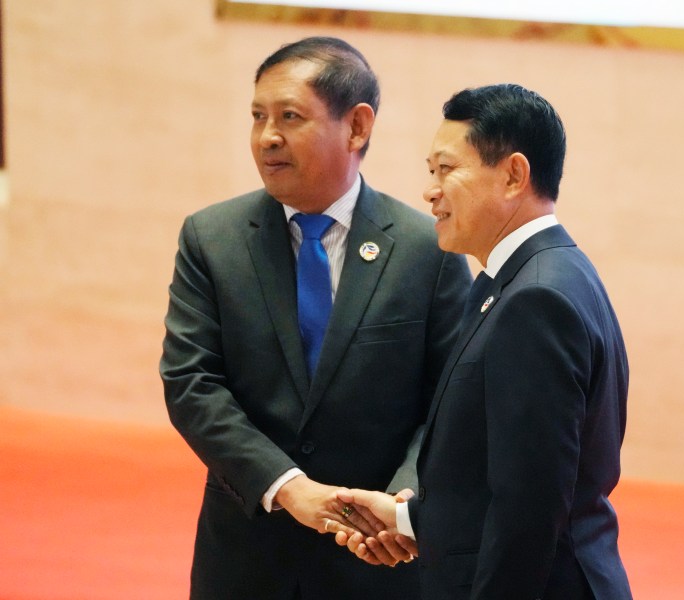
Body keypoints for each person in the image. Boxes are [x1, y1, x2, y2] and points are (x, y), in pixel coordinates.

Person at [159, 37, 471, 599]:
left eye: (290, 117)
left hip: (380, 558)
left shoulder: (430, 249)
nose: (267, 136)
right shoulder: (212, 238)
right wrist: (289, 488)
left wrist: (403, 502)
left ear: (356, 127)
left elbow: (451, 399)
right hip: (249, 553)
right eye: (257, 117)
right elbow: (191, 383)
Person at [335, 84, 633, 599]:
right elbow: (493, 474)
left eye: (447, 170)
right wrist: (410, 519)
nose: (431, 191)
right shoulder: (517, 280)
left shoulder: (536, 300)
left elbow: (530, 511)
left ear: (514, 175)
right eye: (432, 171)